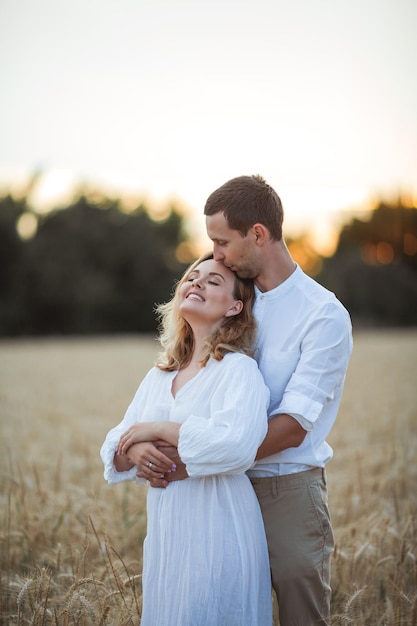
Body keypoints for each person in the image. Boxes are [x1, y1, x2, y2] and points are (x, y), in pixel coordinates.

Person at [143, 175, 353, 626]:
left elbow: (296, 423)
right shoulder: (231, 295)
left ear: (258, 234)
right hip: (210, 492)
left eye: (222, 242)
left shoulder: (323, 315)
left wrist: (197, 457)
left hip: (283, 488)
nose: (214, 254)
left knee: (300, 612)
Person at [100, 252, 273, 626]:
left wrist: (160, 429)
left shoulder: (239, 371)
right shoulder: (160, 375)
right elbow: (116, 442)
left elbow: (237, 445)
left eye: (213, 282)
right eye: (193, 277)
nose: (197, 283)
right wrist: (137, 447)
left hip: (219, 524)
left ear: (234, 308)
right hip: (168, 529)